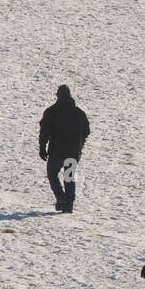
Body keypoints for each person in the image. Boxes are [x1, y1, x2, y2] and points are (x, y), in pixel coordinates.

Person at [39, 84, 90, 212]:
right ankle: (69, 205)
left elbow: (44, 131)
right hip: (73, 152)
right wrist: (80, 144)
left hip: (56, 152)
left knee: (52, 174)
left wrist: (42, 147)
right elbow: (86, 131)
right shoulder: (79, 113)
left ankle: (61, 197)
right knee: (69, 177)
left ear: (58, 96)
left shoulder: (51, 111)